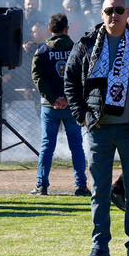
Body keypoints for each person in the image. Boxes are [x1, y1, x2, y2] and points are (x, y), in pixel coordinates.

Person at [65, 0, 129, 256]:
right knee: (100, 190)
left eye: (119, 10)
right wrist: (81, 115)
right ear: (102, 13)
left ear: (127, 12)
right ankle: (100, 247)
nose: (114, 15)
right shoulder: (86, 44)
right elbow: (70, 80)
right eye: (109, 10)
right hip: (99, 128)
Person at [30, 13, 89, 198]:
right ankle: (81, 186)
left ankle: (42, 185)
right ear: (67, 29)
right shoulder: (77, 49)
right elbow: (84, 76)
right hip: (72, 106)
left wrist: (54, 98)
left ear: (50, 29)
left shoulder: (42, 50)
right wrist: (72, 99)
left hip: (49, 106)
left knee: (47, 145)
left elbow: (37, 77)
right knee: (77, 146)